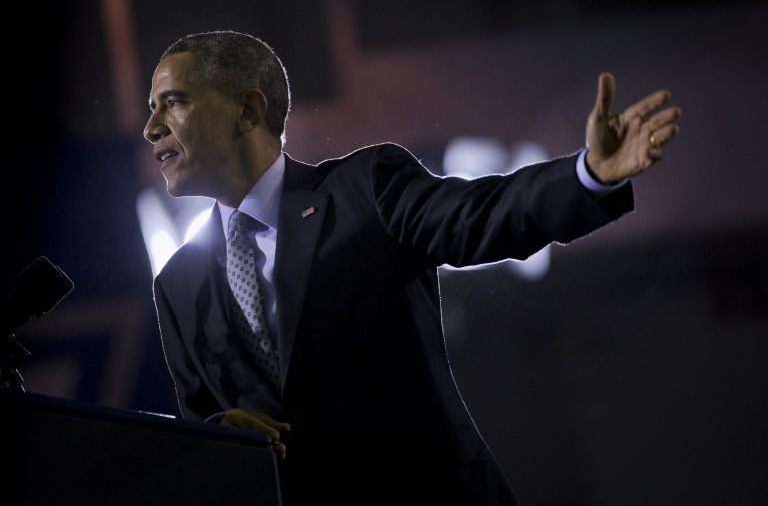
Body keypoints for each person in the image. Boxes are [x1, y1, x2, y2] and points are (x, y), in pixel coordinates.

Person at [145, 31, 680, 505]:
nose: (151, 129)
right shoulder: (177, 284)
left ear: (248, 109)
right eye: (151, 109)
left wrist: (589, 176)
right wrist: (223, 434)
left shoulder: (364, 188)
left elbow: (479, 216)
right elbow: (198, 435)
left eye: (173, 103)